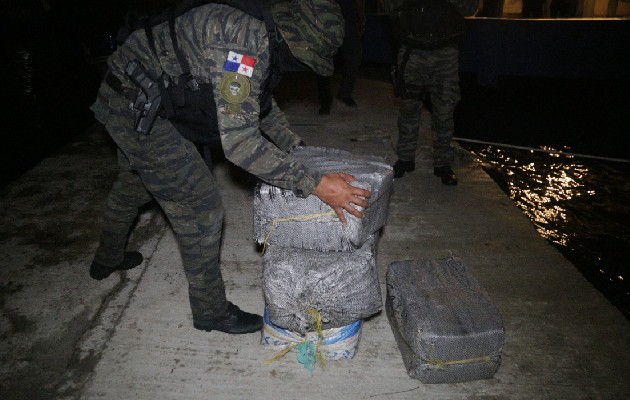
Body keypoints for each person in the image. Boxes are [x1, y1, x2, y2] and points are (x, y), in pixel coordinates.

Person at [88, 0, 371, 335]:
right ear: (295, 42)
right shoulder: (243, 43)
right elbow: (240, 144)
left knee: (136, 182)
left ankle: (107, 257)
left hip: (142, 93)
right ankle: (210, 311)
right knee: (199, 204)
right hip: (132, 102)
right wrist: (315, 183)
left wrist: (298, 151)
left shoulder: (263, 31)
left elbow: (256, 102)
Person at [384, 0, 478, 185]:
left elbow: (470, 8)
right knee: (409, 107)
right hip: (412, 50)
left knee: (445, 110)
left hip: (445, 52)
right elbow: (389, 6)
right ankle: (405, 159)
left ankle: (443, 164)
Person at [317, 0, 366, 115]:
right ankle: (325, 100)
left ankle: (345, 93)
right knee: (324, 56)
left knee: (354, 54)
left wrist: (361, 16)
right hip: (326, 12)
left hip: (347, 12)